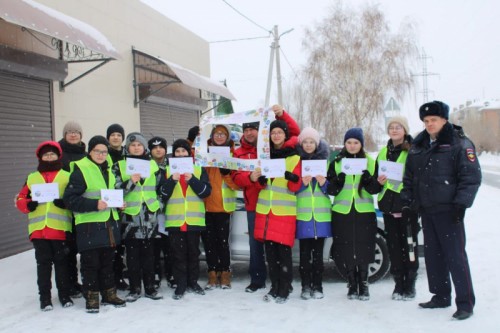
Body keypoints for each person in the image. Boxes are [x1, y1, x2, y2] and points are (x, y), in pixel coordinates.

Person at [401, 101, 481, 320]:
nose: (429, 124)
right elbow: (409, 178)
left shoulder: (459, 143)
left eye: (433, 120)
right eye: (426, 121)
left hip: (449, 211)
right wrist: (407, 202)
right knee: (434, 257)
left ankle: (465, 303)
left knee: (455, 257)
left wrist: (461, 205)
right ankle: (441, 295)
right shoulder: (418, 145)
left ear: (444, 120)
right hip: (427, 210)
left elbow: (471, 177)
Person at [232, 104, 300, 293]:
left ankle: (280, 283)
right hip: (256, 204)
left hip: (274, 204)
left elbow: (294, 133)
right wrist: (251, 178)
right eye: (246, 130)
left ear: (260, 131)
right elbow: (236, 177)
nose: (249, 133)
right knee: (258, 246)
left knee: (277, 246)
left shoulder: (268, 150)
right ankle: (258, 279)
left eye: (253, 129)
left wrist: (282, 114)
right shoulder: (239, 152)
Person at [63, 135, 126, 313]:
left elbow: (109, 194)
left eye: (104, 152)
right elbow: (70, 200)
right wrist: (94, 204)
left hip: (108, 225)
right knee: (91, 264)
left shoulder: (108, 170)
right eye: (97, 151)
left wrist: (119, 204)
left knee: (108, 263)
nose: (101, 154)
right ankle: (91, 298)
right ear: (90, 151)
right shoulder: (81, 169)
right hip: (89, 226)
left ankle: (109, 294)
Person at [16, 141, 73, 311]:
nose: (49, 157)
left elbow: (75, 196)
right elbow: (20, 198)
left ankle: (64, 295)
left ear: (58, 156)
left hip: (59, 228)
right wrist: (28, 205)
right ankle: (45, 298)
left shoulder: (66, 175)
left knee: (62, 264)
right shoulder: (32, 177)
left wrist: (65, 203)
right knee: (43, 265)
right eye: (46, 154)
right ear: (40, 157)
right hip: (39, 230)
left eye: (52, 154)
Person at [326, 128, 381, 301]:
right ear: (344, 144)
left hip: (364, 210)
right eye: (349, 142)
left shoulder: (370, 162)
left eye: (356, 142)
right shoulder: (336, 162)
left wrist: (367, 179)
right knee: (346, 247)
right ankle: (351, 283)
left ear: (361, 144)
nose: (352, 145)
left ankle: (363, 284)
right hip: (342, 211)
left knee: (364, 246)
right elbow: (331, 190)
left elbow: (375, 189)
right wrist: (339, 179)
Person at [254, 117, 301, 304]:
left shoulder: (295, 158)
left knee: (284, 254)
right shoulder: (264, 157)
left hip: (284, 212)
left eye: (279, 132)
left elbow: (295, 187)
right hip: (266, 212)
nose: (276, 135)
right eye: (273, 133)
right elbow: (259, 187)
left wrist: (292, 177)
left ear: (285, 135)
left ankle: (284, 288)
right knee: (271, 254)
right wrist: (260, 181)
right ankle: (274, 286)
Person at [158, 139, 212, 300]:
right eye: (178, 151)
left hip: (194, 221)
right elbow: (162, 194)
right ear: (173, 154)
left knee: (193, 253)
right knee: (178, 254)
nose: (181, 154)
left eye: (184, 151)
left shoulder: (198, 169)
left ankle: (193, 282)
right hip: (175, 221)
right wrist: (171, 181)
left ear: (189, 153)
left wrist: (192, 180)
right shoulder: (167, 171)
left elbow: (205, 192)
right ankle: (181, 284)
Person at [113, 132, 163, 302]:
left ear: (144, 148)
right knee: (132, 256)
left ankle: (150, 288)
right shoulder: (119, 165)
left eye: (139, 145)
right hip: (130, 219)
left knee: (150, 255)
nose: (136, 147)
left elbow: (160, 190)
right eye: (132, 145)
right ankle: (134, 289)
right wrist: (130, 182)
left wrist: (158, 205)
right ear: (128, 147)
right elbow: (115, 191)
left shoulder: (154, 166)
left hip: (150, 217)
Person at [375, 116, 420, 301]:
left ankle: (410, 284)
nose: (394, 130)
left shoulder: (413, 151)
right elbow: (376, 181)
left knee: (409, 248)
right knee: (394, 248)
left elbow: (418, 179)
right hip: (388, 208)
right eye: (391, 127)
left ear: (405, 130)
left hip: (407, 207)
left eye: (398, 127)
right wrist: (379, 182)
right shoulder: (383, 152)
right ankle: (398, 284)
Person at [295, 127, 332, 300]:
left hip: (321, 217)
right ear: (301, 144)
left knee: (318, 256)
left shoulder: (326, 163)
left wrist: (324, 183)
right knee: (304, 255)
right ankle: (305, 286)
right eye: (305, 142)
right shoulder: (296, 162)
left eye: (312, 142)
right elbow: (291, 188)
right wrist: (302, 183)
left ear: (317, 144)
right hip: (303, 217)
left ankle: (318, 286)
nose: (308, 145)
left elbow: (333, 189)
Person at [202, 125, 240, 290]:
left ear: (228, 137)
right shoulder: (204, 153)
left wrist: (226, 173)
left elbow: (237, 184)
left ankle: (225, 272)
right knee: (209, 243)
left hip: (224, 207)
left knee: (223, 243)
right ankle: (212, 272)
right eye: (216, 133)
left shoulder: (233, 155)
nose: (219, 136)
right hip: (205, 205)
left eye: (223, 134)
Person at [58, 121, 86, 298]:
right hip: (62, 209)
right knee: (67, 249)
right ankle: (70, 284)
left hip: (83, 207)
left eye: (76, 132)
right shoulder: (58, 155)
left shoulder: (86, 155)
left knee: (83, 246)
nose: (73, 135)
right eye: (69, 132)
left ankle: (85, 282)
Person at [148, 136, 176, 289]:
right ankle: (156, 274)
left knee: (169, 245)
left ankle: (171, 274)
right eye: (154, 147)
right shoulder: (146, 166)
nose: (158, 150)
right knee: (154, 246)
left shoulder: (172, 165)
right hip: (152, 211)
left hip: (169, 210)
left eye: (161, 147)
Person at [105, 123, 129, 291]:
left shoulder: (128, 156)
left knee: (120, 244)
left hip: (126, 205)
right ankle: (109, 279)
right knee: (109, 245)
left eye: (119, 135)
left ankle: (119, 276)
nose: (115, 137)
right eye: (112, 134)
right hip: (107, 204)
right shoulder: (103, 155)